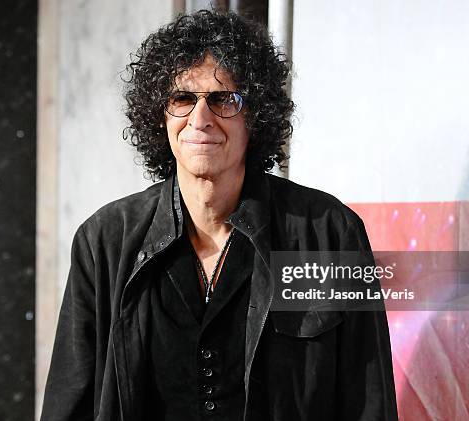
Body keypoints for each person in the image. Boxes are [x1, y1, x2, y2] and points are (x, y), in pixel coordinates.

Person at [40, 9, 398, 421]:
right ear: (160, 115)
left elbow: (370, 402)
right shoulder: (104, 241)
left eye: (223, 99)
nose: (200, 118)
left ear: (256, 116)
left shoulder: (331, 234)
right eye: (183, 99)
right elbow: (70, 402)